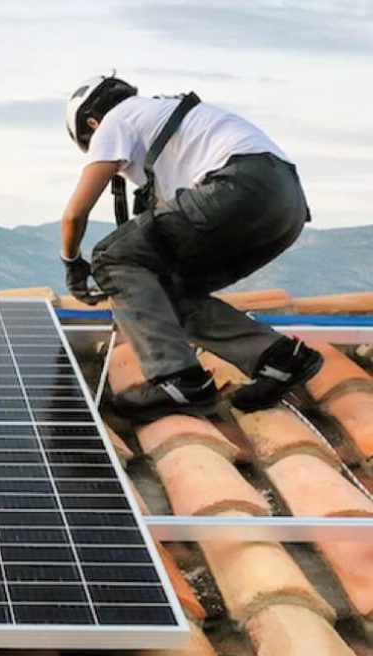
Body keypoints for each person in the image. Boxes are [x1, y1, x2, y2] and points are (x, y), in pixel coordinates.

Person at [60, 74, 323, 422]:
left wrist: (73, 261)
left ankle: (178, 380)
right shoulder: (171, 122)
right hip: (286, 204)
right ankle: (278, 358)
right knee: (165, 288)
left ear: (92, 122)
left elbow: (75, 213)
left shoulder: (115, 120)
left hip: (238, 186)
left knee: (111, 256)